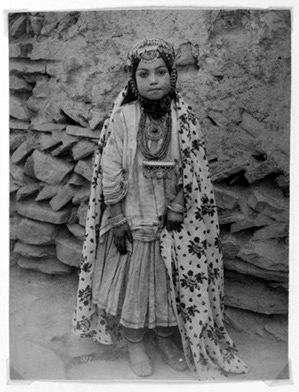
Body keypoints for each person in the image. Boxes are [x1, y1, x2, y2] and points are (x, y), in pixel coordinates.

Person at [72, 38, 249, 380]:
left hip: (172, 222)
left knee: (170, 286)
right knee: (135, 288)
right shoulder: (123, 118)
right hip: (131, 217)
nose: (153, 80)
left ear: (172, 75)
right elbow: (110, 167)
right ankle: (135, 341)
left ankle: (167, 339)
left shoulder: (183, 118)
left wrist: (179, 203)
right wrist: (117, 215)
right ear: (133, 79)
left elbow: (193, 168)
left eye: (160, 72)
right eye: (144, 74)